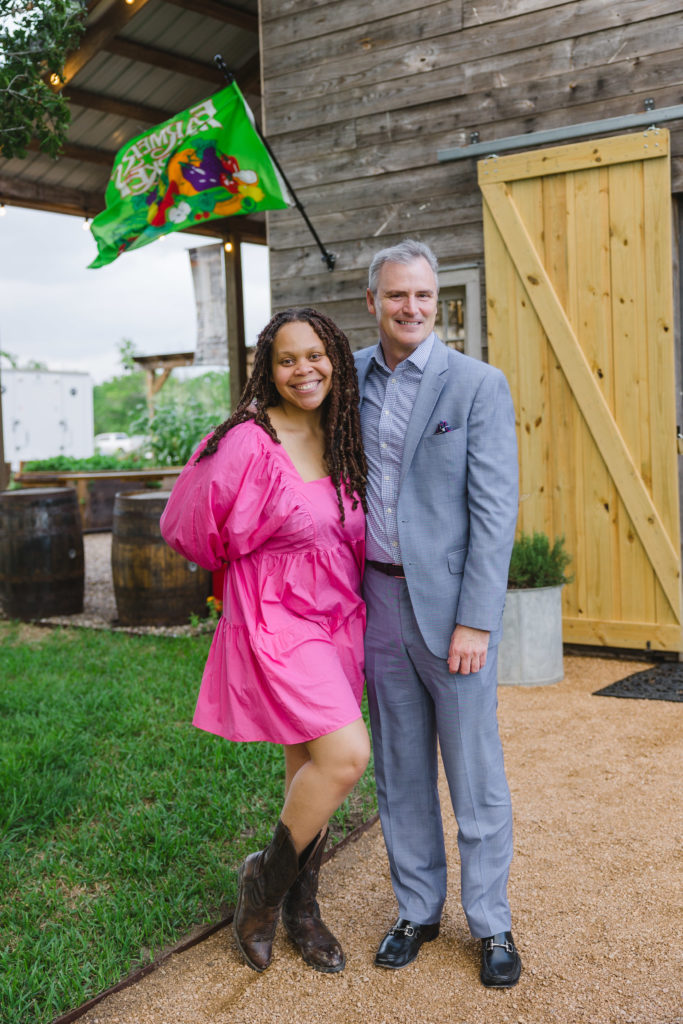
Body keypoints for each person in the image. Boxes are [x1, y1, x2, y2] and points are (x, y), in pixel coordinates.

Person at [160, 307, 370, 975]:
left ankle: (300, 910)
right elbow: (185, 521)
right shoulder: (249, 437)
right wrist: (241, 572)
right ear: (268, 369)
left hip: (337, 615)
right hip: (277, 617)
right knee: (345, 757)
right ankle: (261, 885)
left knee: (309, 769)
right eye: (287, 359)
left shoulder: (341, 434)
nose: (302, 369)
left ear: (334, 357)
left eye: (314, 355)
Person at [354, 239, 522, 987]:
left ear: (437, 302)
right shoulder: (345, 376)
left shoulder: (476, 385)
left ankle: (491, 924)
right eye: (397, 296)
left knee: (473, 770)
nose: (411, 308)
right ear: (373, 303)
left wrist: (477, 619)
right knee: (398, 768)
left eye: (422, 296)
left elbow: (494, 511)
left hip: (452, 609)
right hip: (375, 599)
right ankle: (417, 910)